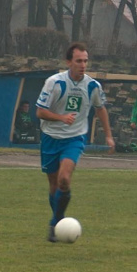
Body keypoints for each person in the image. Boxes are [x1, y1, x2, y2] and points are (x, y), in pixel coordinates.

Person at [36, 42, 115, 242]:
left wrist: (108, 135)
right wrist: (61, 117)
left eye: (85, 61)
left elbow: (100, 108)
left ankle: (55, 223)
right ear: (69, 62)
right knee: (54, 184)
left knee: (64, 179)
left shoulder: (92, 86)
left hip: (74, 138)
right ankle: (59, 219)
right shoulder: (54, 83)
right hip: (50, 138)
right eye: (79, 61)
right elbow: (40, 112)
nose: (83, 65)